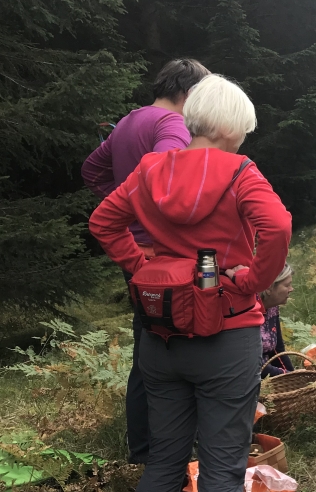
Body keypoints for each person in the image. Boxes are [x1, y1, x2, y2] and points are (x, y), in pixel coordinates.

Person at [89, 74, 292, 492]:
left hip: (162, 337)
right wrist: (253, 281)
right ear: (228, 129)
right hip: (227, 333)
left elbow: (103, 221)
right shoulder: (240, 171)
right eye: (243, 130)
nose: (243, 140)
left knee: (164, 462)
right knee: (222, 468)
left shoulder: (150, 169)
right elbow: (277, 228)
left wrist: (140, 266)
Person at [82, 58, 210, 465]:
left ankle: (143, 447)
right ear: (189, 95)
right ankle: (173, 451)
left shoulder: (128, 122)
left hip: (135, 255)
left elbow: (92, 170)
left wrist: (124, 205)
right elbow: (169, 174)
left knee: (148, 347)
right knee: (181, 348)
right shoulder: (172, 125)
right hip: (165, 255)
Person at [260, 264, 295, 378]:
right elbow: (253, 365)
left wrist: (294, 376)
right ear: (269, 288)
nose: (291, 289)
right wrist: (287, 376)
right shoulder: (248, 312)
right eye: (287, 285)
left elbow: (277, 351)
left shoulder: (272, 308)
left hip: (267, 375)